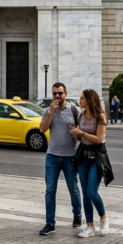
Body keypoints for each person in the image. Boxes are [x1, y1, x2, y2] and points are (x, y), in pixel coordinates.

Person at [38, 82, 83, 236]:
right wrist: (50, 112)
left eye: (60, 93)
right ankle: (50, 223)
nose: (57, 96)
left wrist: (76, 133)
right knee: (50, 191)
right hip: (52, 156)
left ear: (66, 94)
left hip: (69, 156)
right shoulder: (47, 111)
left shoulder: (74, 110)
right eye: (55, 93)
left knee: (73, 189)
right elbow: (42, 129)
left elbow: (81, 133)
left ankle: (77, 215)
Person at [70, 89, 112, 238]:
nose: (79, 100)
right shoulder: (81, 116)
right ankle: (89, 226)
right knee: (85, 194)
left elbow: (99, 139)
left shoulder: (100, 117)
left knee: (92, 192)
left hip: (97, 155)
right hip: (83, 155)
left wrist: (81, 133)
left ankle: (104, 218)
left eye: (82, 98)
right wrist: (76, 134)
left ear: (89, 100)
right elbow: (82, 139)